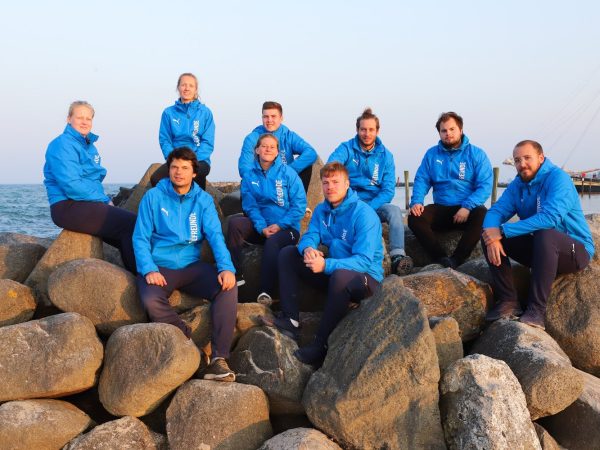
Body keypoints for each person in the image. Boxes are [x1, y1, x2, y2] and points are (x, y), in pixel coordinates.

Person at [133, 147, 238, 381]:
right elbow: (140, 237)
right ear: (168, 170)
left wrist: (226, 268)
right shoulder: (153, 197)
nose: (178, 172)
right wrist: (149, 268)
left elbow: (215, 236)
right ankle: (189, 344)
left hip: (192, 266)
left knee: (228, 288)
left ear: (194, 173)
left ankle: (219, 358)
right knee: (150, 299)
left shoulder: (203, 201)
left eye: (184, 168)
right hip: (161, 266)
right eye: (174, 167)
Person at [268, 162, 383, 367]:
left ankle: (320, 346)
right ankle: (291, 321)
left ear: (347, 184)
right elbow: (309, 235)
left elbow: (364, 261)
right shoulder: (322, 210)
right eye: (325, 182)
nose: (330, 187)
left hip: (366, 282)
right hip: (336, 275)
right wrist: (308, 249)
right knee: (288, 254)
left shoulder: (364, 214)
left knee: (339, 275)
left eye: (335, 182)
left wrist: (326, 265)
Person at [482, 140, 594, 329]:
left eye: (527, 158)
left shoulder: (559, 179)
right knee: (487, 235)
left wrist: (502, 231)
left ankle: (536, 311)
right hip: (543, 253)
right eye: (517, 160)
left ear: (541, 158)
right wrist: (492, 236)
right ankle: (509, 301)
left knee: (545, 234)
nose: (521, 164)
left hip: (575, 251)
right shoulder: (518, 184)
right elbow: (496, 211)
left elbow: (550, 218)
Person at [43, 101, 137, 273]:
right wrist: (104, 200)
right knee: (131, 224)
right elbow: (71, 185)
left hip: (84, 204)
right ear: (69, 119)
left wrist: (104, 201)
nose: (84, 121)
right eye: (79, 117)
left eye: (88, 118)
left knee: (132, 232)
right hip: (67, 206)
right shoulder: (62, 144)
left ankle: (146, 274)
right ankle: (145, 279)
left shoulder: (89, 146)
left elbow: (93, 181)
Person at [328, 108, 413, 275]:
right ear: (357, 130)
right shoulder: (346, 148)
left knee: (395, 211)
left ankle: (397, 257)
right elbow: (332, 166)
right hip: (350, 201)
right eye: (363, 129)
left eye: (371, 129)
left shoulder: (386, 156)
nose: (367, 133)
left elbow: (388, 190)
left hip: (375, 203)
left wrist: (370, 208)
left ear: (377, 131)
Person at [227, 134, 306, 304]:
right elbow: (250, 206)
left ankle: (265, 292)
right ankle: (236, 275)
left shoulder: (289, 174)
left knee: (273, 242)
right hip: (261, 228)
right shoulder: (249, 176)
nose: (268, 149)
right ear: (257, 150)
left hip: (287, 229)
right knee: (234, 223)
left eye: (272, 147)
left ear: (278, 152)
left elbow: (299, 206)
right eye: (264, 146)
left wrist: (279, 225)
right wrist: (262, 227)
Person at [408, 111, 493, 268]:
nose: (448, 134)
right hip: (442, 208)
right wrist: (417, 201)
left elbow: (485, 185)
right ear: (439, 133)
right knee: (415, 217)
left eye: (452, 129)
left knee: (483, 213)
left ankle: (457, 259)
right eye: (444, 131)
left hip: (466, 210)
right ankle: (441, 258)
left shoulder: (476, 154)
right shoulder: (432, 154)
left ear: (460, 130)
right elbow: (422, 179)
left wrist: (467, 207)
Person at [151, 73, 215, 190]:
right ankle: (170, 204)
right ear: (178, 87)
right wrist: (174, 159)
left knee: (196, 174)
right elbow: (164, 139)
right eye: (183, 85)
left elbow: (208, 141)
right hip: (176, 158)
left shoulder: (205, 112)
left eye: (191, 85)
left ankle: (198, 205)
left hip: (199, 159)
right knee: (155, 179)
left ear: (195, 89)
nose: (187, 88)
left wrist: (192, 161)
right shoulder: (168, 113)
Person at [238, 101, 317, 193]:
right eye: (266, 117)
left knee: (307, 166)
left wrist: (287, 171)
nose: (269, 120)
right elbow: (244, 167)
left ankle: (300, 204)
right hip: (261, 182)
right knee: (246, 181)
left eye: (273, 116)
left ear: (281, 118)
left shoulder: (288, 136)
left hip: (284, 180)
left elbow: (311, 152)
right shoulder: (252, 138)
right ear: (262, 118)